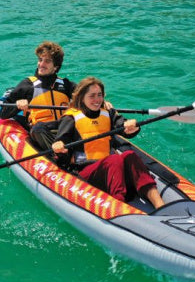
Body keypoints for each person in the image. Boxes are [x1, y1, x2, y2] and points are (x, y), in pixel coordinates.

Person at [51, 76, 165, 210]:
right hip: (85, 172)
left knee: (129, 155)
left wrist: (132, 127)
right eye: (92, 96)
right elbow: (60, 141)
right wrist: (58, 146)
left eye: (99, 95)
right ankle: (120, 207)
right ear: (82, 97)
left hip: (110, 168)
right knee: (114, 160)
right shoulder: (71, 117)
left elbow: (122, 126)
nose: (97, 100)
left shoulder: (108, 113)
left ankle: (160, 204)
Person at [0, 41, 75, 152]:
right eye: (40, 60)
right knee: (38, 128)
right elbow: (3, 113)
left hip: (64, 130)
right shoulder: (28, 85)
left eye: (47, 61)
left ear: (56, 67)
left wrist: (102, 103)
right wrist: (17, 105)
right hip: (42, 132)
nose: (41, 64)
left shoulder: (66, 85)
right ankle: (58, 156)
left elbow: (86, 97)